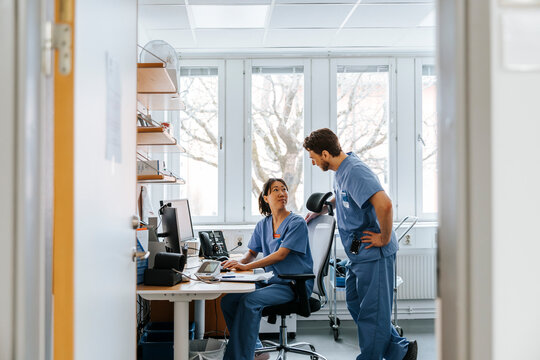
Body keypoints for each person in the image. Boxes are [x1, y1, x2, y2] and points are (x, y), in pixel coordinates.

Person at [303, 128, 418, 360]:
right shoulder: (341, 171)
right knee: (356, 303)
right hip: (358, 255)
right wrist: (326, 208)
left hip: (374, 253)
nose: (313, 162)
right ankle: (400, 351)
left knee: (373, 314)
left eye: (313, 157)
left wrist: (384, 238)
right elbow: (345, 195)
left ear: (325, 153)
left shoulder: (355, 171)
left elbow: (384, 205)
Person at [220, 178, 314, 360]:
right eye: (276, 190)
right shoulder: (263, 224)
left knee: (249, 301)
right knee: (229, 301)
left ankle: (241, 357)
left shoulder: (297, 223)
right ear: (265, 197)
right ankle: (257, 351)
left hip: (293, 284)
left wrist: (246, 266)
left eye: (284, 189)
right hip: (271, 282)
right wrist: (235, 264)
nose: (282, 193)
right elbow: (251, 253)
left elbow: (280, 254)